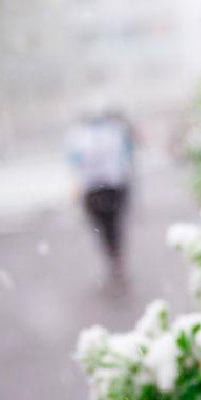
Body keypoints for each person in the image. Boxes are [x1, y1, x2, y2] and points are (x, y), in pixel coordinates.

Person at [67, 111, 134, 285]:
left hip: (93, 189)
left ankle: (111, 254)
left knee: (102, 226)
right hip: (113, 185)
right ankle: (115, 254)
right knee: (114, 224)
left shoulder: (78, 135)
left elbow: (74, 162)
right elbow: (127, 153)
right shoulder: (115, 130)